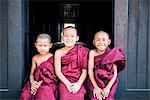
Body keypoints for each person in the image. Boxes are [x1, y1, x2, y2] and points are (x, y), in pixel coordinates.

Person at [87, 31, 126, 100]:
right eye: (97, 40)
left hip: (108, 81)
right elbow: (90, 72)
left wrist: (107, 88)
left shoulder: (112, 54)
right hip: (94, 80)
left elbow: (115, 74)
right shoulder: (92, 53)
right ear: (93, 42)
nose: (101, 42)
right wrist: (96, 87)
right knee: (95, 97)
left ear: (109, 42)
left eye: (104, 39)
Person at [54, 26, 89, 100]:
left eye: (72, 36)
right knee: (64, 96)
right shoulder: (58, 52)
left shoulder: (82, 51)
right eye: (66, 36)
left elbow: (84, 70)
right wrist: (68, 84)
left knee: (79, 95)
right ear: (62, 37)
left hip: (79, 80)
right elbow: (58, 71)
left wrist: (78, 84)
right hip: (64, 80)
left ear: (77, 38)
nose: (69, 39)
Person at [20, 33, 58, 100]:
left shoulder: (53, 57)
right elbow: (32, 73)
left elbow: (54, 75)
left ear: (50, 45)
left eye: (45, 46)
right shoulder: (35, 58)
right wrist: (32, 83)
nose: (42, 48)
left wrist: (40, 83)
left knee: (44, 93)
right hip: (35, 82)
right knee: (25, 94)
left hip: (48, 83)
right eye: (40, 45)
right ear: (36, 45)